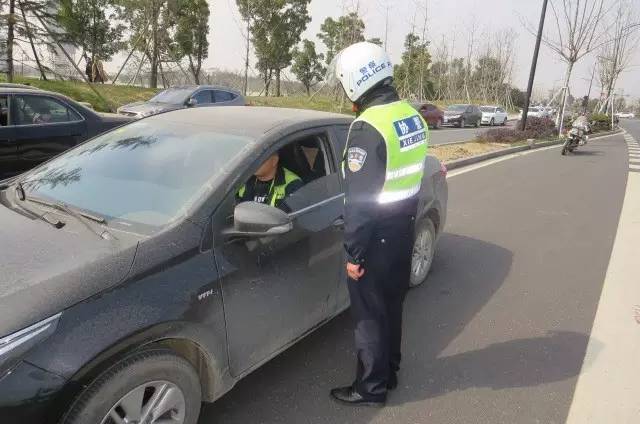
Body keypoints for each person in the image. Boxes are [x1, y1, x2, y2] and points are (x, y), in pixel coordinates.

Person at [327, 41, 429, 406]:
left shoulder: (368, 128)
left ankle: (370, 387)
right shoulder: (411, 117)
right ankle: (391, 371)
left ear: (355, 81)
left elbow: (360, 203)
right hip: (404, 229)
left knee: (369, 317)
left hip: (375, 239)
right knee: (392, 307)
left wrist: (353, 253)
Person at [236, 152, 304, 212]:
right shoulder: (244, 180)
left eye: (261, 159)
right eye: (254, 158)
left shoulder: (292, 184)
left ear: (274, 160)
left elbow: (290, 219)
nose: (255, 163)